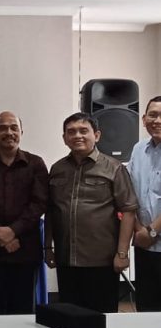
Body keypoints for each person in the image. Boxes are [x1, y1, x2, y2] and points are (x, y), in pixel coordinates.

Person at [46, 112, 137, 313]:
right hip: (66, 259)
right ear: (64, 138)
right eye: (71, 132)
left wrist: (122, 254)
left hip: (102, 261)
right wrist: (47, 248)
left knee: (101, 318)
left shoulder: (113, 168)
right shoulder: (57, 168)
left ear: (96, 135)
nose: (77, 135)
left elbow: (129, 211)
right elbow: (51, 210)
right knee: (69, 317)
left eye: (83, 131)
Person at [0, 111, 48, 314]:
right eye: (2, 128)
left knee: (24, 311)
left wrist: (13, 231)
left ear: (21, 132)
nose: (9, 132)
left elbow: (39, 203)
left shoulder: (35, 164)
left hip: (25, 248)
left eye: (14, 128)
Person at [128, 96, 161, 311]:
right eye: (153, 115)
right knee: (146, 308)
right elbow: (130, 193)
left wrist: (151, 231)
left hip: (150, 237)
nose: (157, 121)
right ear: (143, 119)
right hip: (144, 246)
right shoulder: (138, 149)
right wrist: (139, 229)